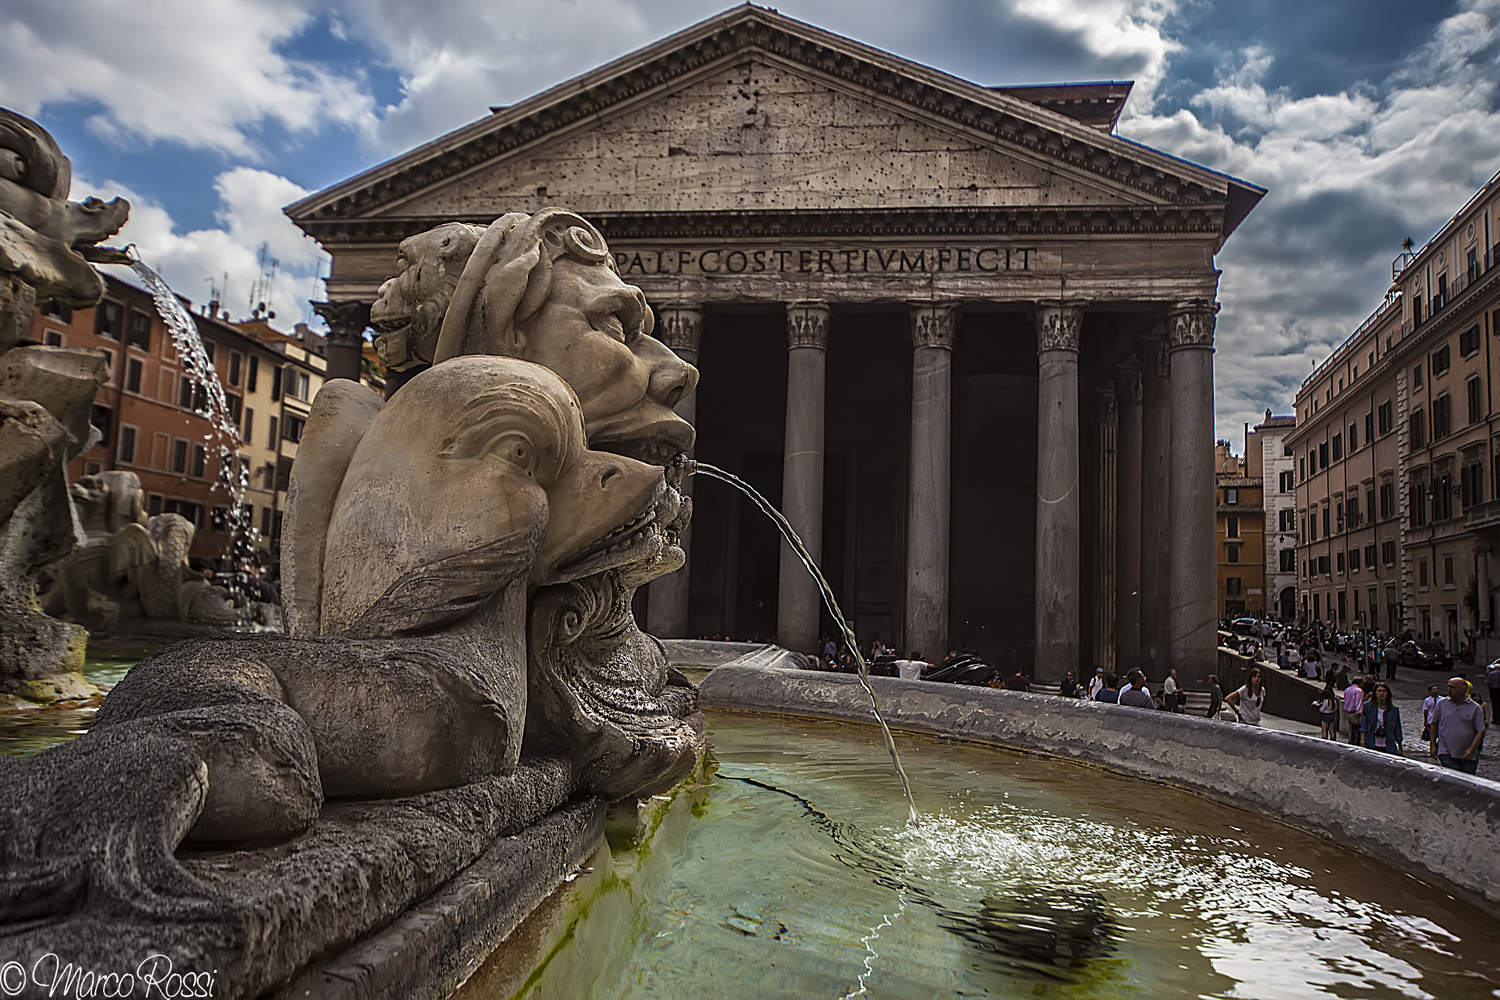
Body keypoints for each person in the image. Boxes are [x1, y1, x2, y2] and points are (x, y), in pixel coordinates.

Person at [1429, 676, 1486, 774]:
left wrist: (1472, 749)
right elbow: (1434, 724)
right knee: (1454, 775)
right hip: (1445, 750)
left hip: (1467, 753)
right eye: (1448, 687)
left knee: (1466, 782)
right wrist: (1433, 745)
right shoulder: (1441, 704)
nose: (1449, 689)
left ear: (1463, 690)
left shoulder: (1475, 708)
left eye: (1453, 687)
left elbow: (1480, 730)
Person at [1361, 681, 1403, 754]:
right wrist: (1362, 742)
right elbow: (1363, 726)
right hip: (1371, 743)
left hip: (1388, 745)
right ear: (1375, 693)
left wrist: (1400, 747)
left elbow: (1397, 729)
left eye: (1384, 691)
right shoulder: (1367, 707)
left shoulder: (1394, 710)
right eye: (1379, 691)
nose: (1381, 693)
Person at [1342, 674, 1365, 744]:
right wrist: (1360, 714)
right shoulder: (1359, 691)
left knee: (1350, 729)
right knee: (1357, 729)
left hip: (1347, 712)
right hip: (1355, 713)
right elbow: (1358, 703)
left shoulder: (1347, 690)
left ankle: (1351, 741)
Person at [1487, 659, 1500, 726]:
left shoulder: (1491, 674)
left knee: (1494, 703)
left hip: (1493, 689)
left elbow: (1488, 682)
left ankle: (1495, 718)